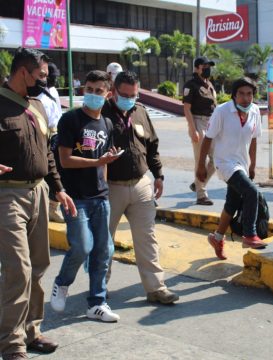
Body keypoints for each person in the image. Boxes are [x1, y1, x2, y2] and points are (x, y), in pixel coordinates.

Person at [0, 47, 76, 360]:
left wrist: (58, 189)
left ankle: (32, 330)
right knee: (18, 269)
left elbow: (46, 152)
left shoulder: (38, 107)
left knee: (39, 265)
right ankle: (11, 344)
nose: (44, 82)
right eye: (40, 75)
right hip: (7, 196)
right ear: (23, 72)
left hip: (39, 193)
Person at [102, 71, 179, 304]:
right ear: (113, 91)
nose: (129, 99)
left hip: (141, 184)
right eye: (124, 95)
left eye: (133, 95)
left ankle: (156, 288)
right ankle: (99, 289)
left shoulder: (141, 112)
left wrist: (159, 175)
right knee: (103, 242)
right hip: (109, 188)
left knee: (147, 238)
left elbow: (152, 147)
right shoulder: (101, 114)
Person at [50, 70, 121, 322]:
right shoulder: (70, 120)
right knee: (82, 246)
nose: (91, 94)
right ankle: (62, 282)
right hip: (75, 197)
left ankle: (96, 303)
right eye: (88, 89)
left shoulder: (108, 124)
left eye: (98, 91)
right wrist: (98, 162)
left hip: (100, 197)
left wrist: (104, 172)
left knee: (104, 251)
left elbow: (105, 162)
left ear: (108, 94)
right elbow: (65, 160)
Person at [196, 77, 267, 260]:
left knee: (232, 203)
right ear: (234, 95)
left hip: (242, 164)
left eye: (249, 94)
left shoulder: (255, 111)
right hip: (224, 163)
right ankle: (250, 235)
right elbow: (208, 139)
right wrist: (201, 166)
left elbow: (253, 139)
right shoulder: (222, 111)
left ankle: (217, 238)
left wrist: (252, 165)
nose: (245, 98)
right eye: (241, 94)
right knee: (252, 193)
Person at [183, 56, 217, 205]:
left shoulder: (209, 84)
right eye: (204, 66)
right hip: (198, 122)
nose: (207, 68)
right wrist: (193, 129)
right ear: (197, 68)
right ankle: (201, 195)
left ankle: (197, 184)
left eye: (209, 66)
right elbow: (186, 108)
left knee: (216, 161)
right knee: (200, 160)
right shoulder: (191, 85)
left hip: (212, 123)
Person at [37, 62, 64, 223]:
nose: (54, 79)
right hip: (44, 135)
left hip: (56, 134)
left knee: (58, 172)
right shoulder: (37, 94)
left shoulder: (52, 91)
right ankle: (47, 207)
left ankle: (53, 206)